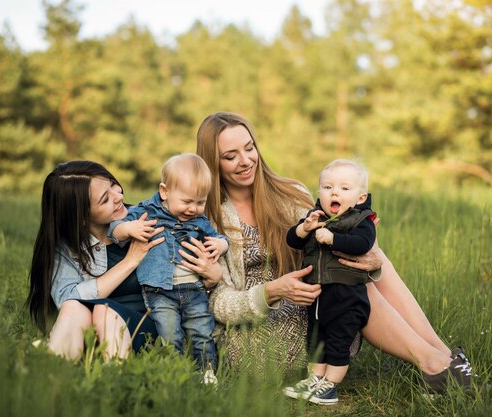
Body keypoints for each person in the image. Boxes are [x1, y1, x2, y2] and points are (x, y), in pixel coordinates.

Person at [190, 112, 473, 402]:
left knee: (366, 257)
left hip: (313, 306)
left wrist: (372, 261)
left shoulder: (289, 193)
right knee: (346, 282)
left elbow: (331, 240)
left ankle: (445, 358)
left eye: (249, 148)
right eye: (230, 156)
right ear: (214, 163)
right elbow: (218, 303)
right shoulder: (206, 219)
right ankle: (436, 366)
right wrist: (273, 290)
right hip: (255, 333)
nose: (246, 160)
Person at [26, 160, 223, 362]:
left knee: (104, 311)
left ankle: (116, 380)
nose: (119, 196)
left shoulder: (148, 219)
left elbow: (188, 280)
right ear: (81, 217)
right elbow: (68, 300)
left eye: (113, 185)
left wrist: (213, 277)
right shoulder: (66, 249)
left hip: (156, 323)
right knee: (74, 306)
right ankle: (53, 373)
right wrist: (130, 261)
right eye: (105, 199)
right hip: (94, 329)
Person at [108, 153, 228, 383]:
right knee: (169, 333)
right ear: (165, 192)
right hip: (159, 291)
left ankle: (207, 373)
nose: (193, 208)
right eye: (186, 201)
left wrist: (221, 244)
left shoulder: (200, 221)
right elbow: (114, 230)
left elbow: (219, 237)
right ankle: (174, 374)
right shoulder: (146, 212)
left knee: (202, 330)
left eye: (200, 202)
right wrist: (129, 229)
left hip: (194, 289)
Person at [284, 159, 377, 404]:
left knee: (337, 341)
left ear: (360, 197)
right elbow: (293, 241)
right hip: (317, 297)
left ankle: (330, 385)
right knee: (316, 339)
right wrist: (304, 229)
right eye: (328, 187)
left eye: (345, 188)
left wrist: (334, 239)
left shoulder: (361, 221)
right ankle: (314, 379)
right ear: (319, 193)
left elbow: (362, 244)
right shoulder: (315, 218)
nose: (334, 192)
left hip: (347, 297)